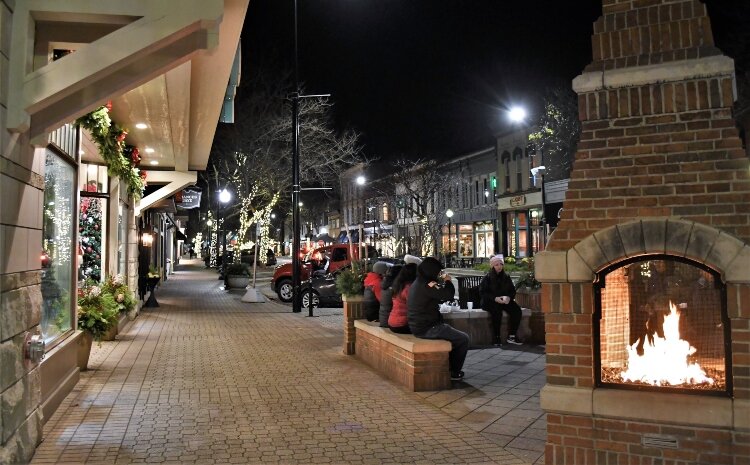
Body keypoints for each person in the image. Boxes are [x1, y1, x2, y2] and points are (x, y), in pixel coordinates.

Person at [407, 257, 470, 381]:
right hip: (428, 328)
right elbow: (447, 295)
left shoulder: (419, 282)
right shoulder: (427, 284)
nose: (439, 274)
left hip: (419, 326)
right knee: (463, 339)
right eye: (438, 271)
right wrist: (448, 281)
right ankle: (454, 372)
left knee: (453, 336)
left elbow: (438, 295)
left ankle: (450, 367)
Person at [480, 254, 523, 346]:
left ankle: (512, 336)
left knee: (516, 310)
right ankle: (497, 337)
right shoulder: (487, 278)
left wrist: (509, 297)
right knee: (496, 311)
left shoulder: (506, 277)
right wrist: (495, 298)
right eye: (497, 265)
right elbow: (483, 293)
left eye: (501, 264)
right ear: (492, 266)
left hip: (504, 301)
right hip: (490, 301)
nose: (499, 266)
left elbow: (512, 291)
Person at [388, 263, 418, 333]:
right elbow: (414, 307)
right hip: (401, 324)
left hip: (391, 322)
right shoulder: (409, 288)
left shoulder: (398, 285)